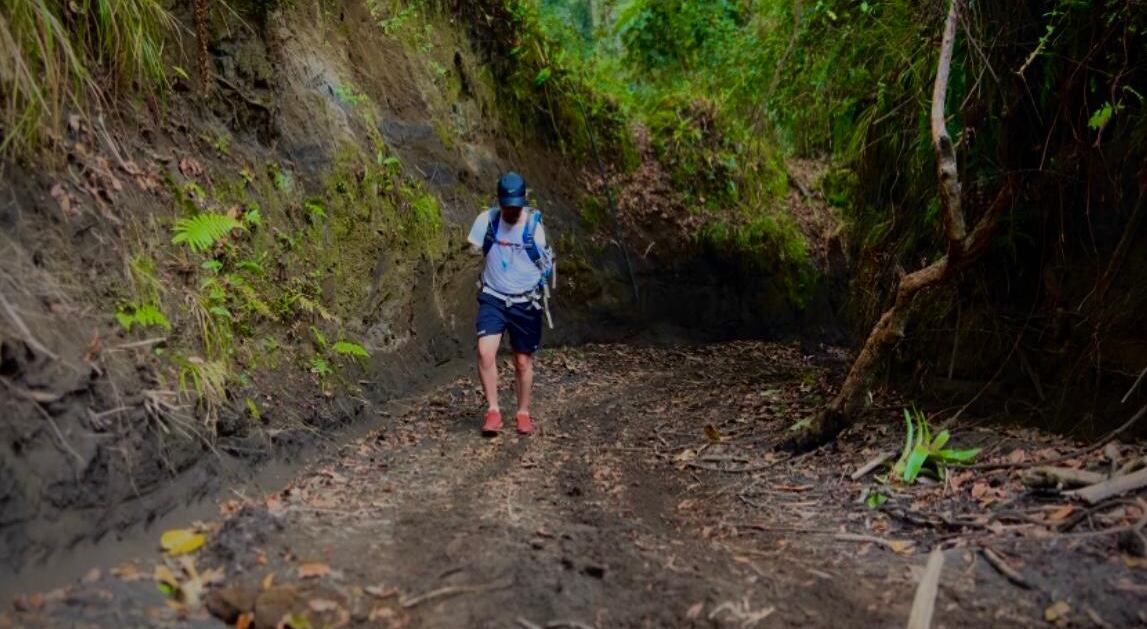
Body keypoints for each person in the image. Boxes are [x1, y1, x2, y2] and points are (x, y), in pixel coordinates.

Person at [466, 172, 555, 437]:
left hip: (525, 301)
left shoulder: (534, 230)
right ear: (499, 202)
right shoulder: (487, 222)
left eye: (516, 207)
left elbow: (545, 266)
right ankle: (493, 411)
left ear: (524, 201)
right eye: (507, 207)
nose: (512, 212)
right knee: (484, 352)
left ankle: (523, 412)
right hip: (493, 296)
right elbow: (473, 248)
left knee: (522, 362)